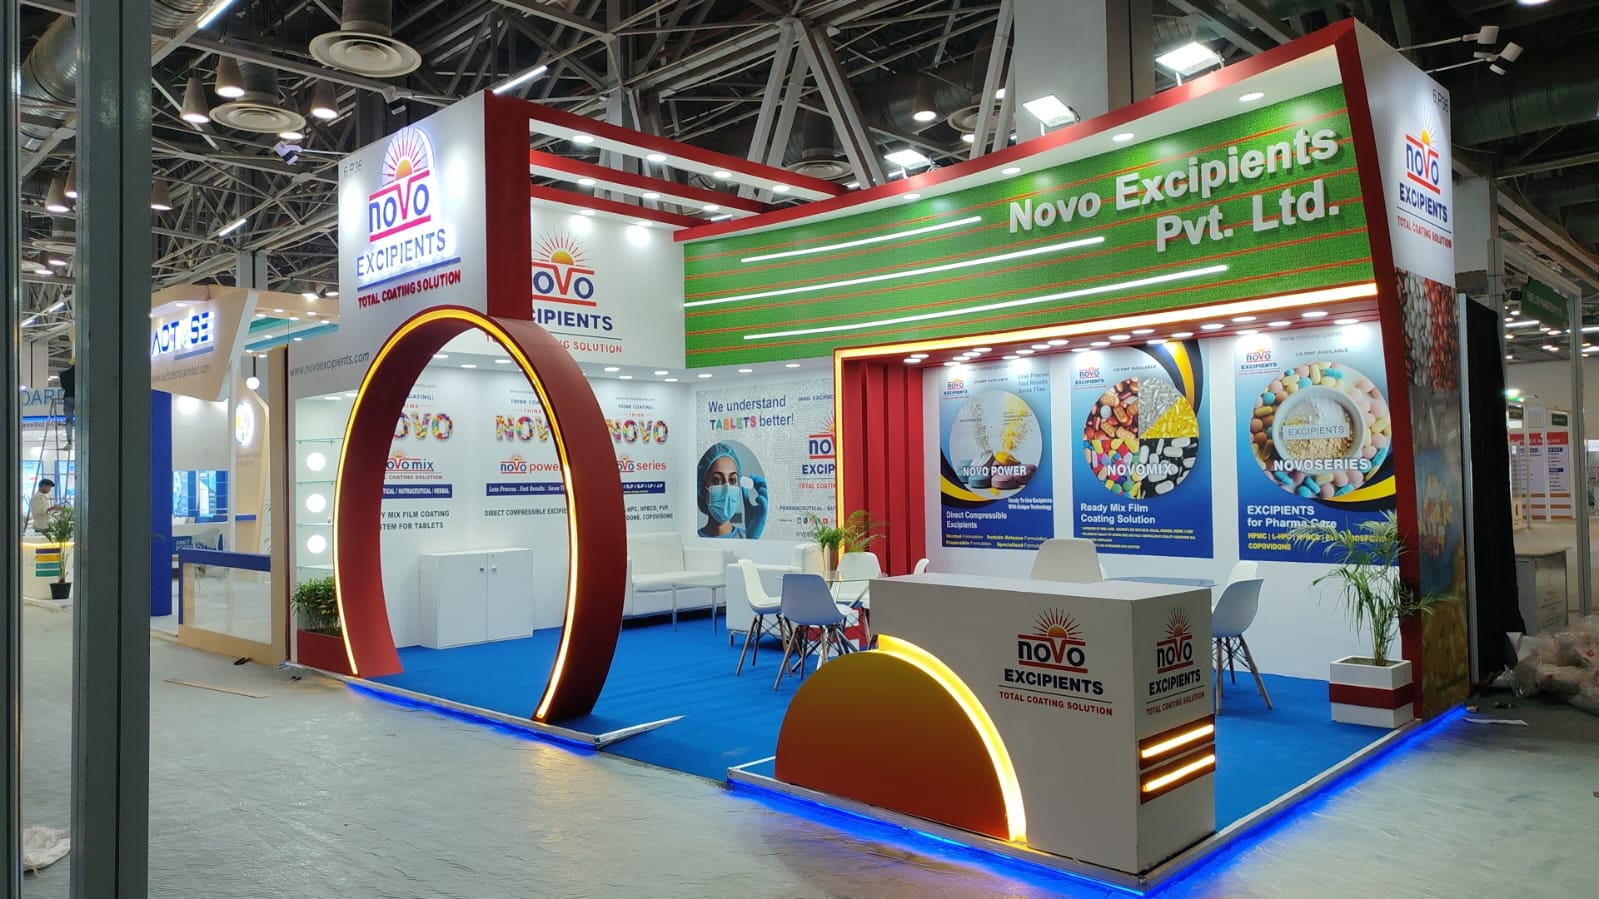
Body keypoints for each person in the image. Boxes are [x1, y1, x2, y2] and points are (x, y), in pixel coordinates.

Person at [696, 443, 768, 539]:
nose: (727, 489)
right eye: (717, 480)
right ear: (702, 490)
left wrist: (752, 542)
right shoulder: (693, 539)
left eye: (732, 480)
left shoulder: (748, 537)